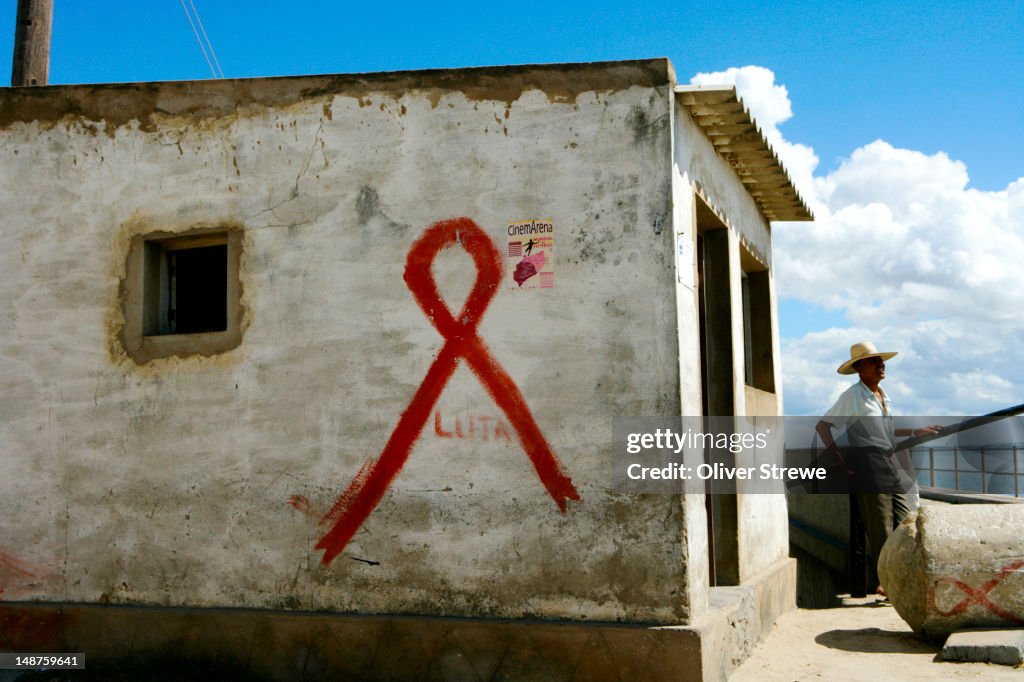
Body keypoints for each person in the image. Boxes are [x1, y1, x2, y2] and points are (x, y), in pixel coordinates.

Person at [815, 341, 938, 596]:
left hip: (889, 461)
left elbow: (886, 430)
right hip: (867, 464)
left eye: (881, 361)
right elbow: (823, 426)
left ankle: (896, 579)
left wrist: (916, 431)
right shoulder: (853, 396)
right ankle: (886, 583)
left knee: (905, 520)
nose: (881, 365)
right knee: (880, 527)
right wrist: (840, 460)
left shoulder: (882, 395)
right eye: (874, 361)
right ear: (860, 367)